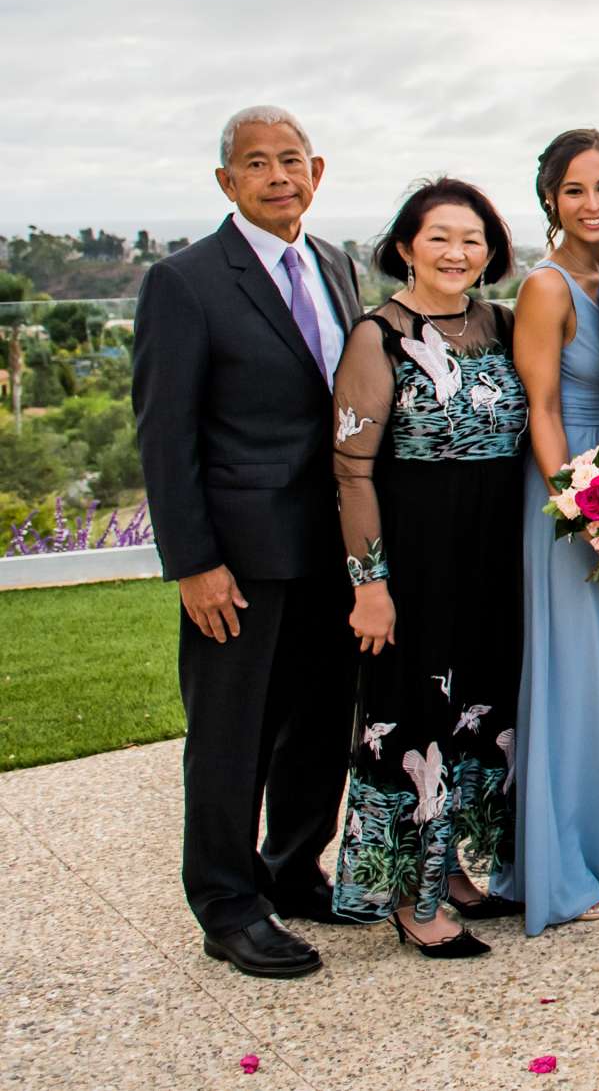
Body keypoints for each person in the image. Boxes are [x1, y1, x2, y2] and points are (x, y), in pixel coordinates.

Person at [132, 108, 364, 979]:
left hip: (331, 551)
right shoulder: (185, 282)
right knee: (231, 736)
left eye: (292, 160)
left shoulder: (335, 264)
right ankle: (228, 905)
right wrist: (193, 563)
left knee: (318, 724)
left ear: (318, 170)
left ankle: (294, 868)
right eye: (256, 163)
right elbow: (166, 435)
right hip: (239, 558)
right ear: (226, 181)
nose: (279, 176)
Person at [329, 179, 528, 957]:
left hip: (491, 555)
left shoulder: (503, 325)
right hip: (416, 560)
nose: (457, 252)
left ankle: (448, 870)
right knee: (417, 719)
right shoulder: (377, 334)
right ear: (406, 246)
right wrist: (369, 585)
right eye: (440, 237)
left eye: (472, 239)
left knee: (478, 711)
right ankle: (414, 902)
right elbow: (351, 472)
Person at [492, 130, 599, 934]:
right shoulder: (547, 288)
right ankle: (563, 865)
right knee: (573, 672)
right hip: (568, 493)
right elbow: (542, 409)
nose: (595, 203)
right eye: (577, 189)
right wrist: (577, 506)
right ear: (550, 198)